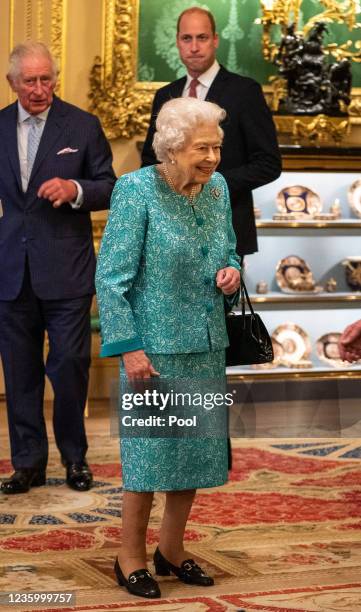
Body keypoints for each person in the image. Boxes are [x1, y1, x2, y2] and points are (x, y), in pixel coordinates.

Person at [96, 97, 241, 599]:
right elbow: (111, 278)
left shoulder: (218, 188)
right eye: (203, 148)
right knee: (150, 459)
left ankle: (171, 550)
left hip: (205, 343)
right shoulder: (136, 191)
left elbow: (228, 247)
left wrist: (231, 270)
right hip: (154, 353)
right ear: (173, 148)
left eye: (217, 148)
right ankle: (129, 556)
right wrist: (129, 348)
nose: (213, 158)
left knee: (196, 456)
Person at [0, 42, 116, 495]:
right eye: (29, 80)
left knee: (69, 365)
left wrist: (75, 187)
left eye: (46, 78)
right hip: (11, 269)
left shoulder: (82, 126)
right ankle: (27, 462)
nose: (39, 88)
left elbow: (109, 186)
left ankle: (74, 457)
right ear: (13, 82)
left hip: (66, 269)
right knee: (20, 370)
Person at [141, 6, 282, 257]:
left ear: (215, 40)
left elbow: (268, 164)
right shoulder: (165, 95)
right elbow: (151, 160)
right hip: (170, 228)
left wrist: (208, 185)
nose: (194, 47)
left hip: (227, 226)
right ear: (178, 42)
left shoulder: (245, 91)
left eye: (202, 38)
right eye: (187, 38)